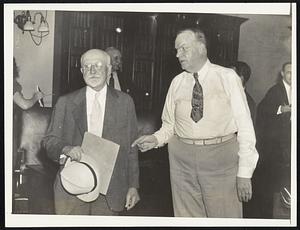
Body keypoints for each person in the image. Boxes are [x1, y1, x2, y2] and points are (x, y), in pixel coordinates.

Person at [132, 28, 259, 217]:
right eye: (176, 50)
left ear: (202, 48)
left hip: (220, 160)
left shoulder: (227, 77)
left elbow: (246, 128)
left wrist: (245, 172)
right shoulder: (176, 82)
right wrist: (155, 139)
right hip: (181, 160)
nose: (177, 55)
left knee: (225, 217)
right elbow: (169, 125)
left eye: (183, 49)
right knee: (186, 218)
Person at [42, 49, 140, 215]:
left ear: (109, 70)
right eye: (87, 66)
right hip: (73, 185)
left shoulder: (125, 103)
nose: (92, 71)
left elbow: (131, 148)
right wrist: (67, 148)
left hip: (110, 189)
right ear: (81, 72)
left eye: (98, 65)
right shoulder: (65, 102)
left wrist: (133, 186)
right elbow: (49, 141)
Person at [255, 62, 291, 218]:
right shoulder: (275, 91)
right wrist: (281, 109)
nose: (292, 76)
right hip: (276, 149)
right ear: (282, 73)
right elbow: (262, 110)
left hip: (289, 147)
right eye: (289, 72)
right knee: (274, 188)